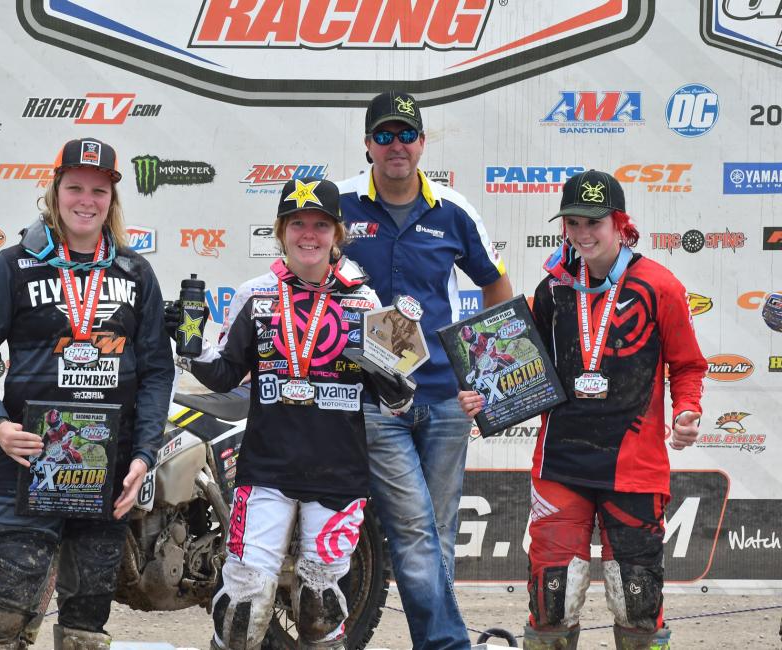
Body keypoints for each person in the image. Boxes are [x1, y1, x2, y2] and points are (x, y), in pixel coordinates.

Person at [458, 170, 705, 650]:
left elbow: (688, 363)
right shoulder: (553, 289)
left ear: (620, 223)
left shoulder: (660, 285)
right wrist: (482, 393)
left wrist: (688, 409)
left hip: (634, 466)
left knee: (636, 601)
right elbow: (521, 365)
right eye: (573, 222)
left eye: (594, 221)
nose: (583, 233)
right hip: (562, 463)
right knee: (554, 598)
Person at [170, 177, 414, 650]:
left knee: (319, 607)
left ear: (336, 234)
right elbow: (223, 375)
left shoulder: (364, 300)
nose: (309, 234)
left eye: (320, 224)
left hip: (338, 474)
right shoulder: (255, 294)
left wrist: (386, 372)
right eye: (297, 223)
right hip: (266, 470)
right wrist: (190, 347)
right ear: (281, 231)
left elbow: (400, 400)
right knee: (242, 604)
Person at [0, 137, 174, 650]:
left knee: (85, 622)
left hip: (107, 470)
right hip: (30, 463)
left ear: (112, 199)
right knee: (5, 613)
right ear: (55, 192)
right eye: (75, 186)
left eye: (99, 190)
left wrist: (143, 454)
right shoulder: (13, 266)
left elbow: (157, 372)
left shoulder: (135, 272)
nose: (86, 200)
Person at [336, 91, 513, 649]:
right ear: (367, 144)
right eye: (383, 136)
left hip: (442, 397)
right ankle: (449, 645)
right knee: (413, 530)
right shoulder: (338, 206)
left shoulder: (454, 211)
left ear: (422, 142)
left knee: (432, 533)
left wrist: (480, 375)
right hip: (370, 399)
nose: (396, 146)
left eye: (405, 135)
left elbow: (496, 285)